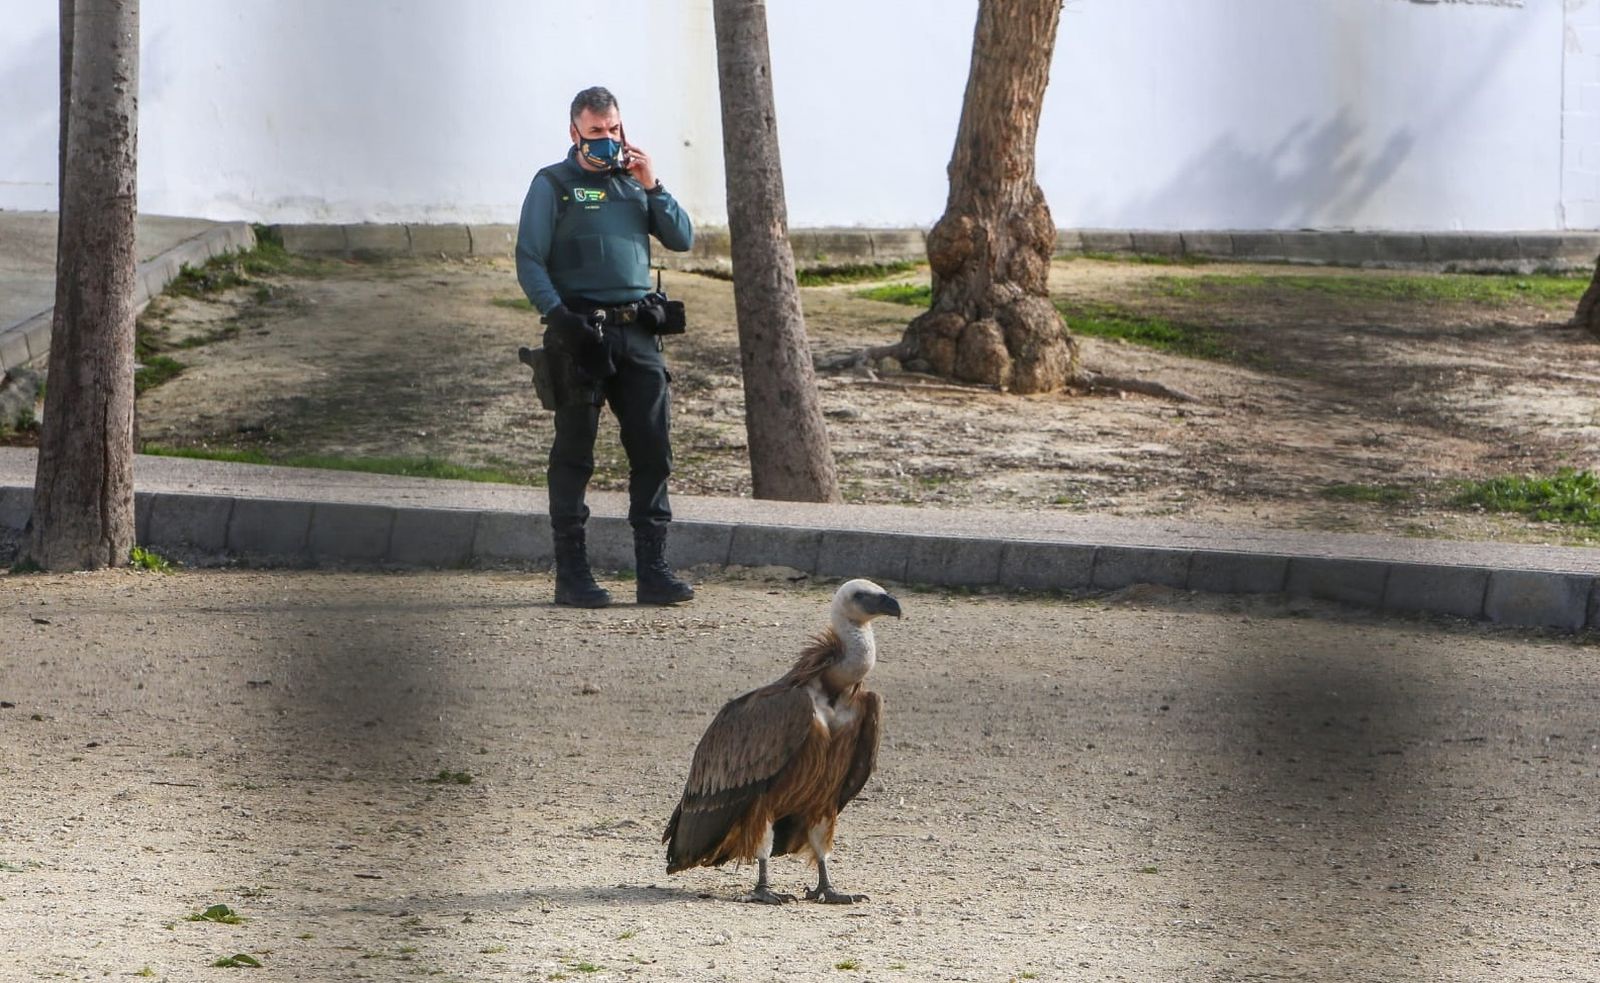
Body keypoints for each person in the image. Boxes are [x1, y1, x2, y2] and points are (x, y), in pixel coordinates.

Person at [516, 86, 696, 608]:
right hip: (579, 334)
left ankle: (653, 573)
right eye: (596, 132)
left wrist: (653, 183)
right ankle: (572, 576)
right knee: (575, 453)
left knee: (653, 451)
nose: (607, 140)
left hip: (637, 333)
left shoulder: (634, 184)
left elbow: (681, 238)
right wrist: (561, 320)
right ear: (574, 132)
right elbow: (529, 258)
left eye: (613, 129)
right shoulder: (553, 183)